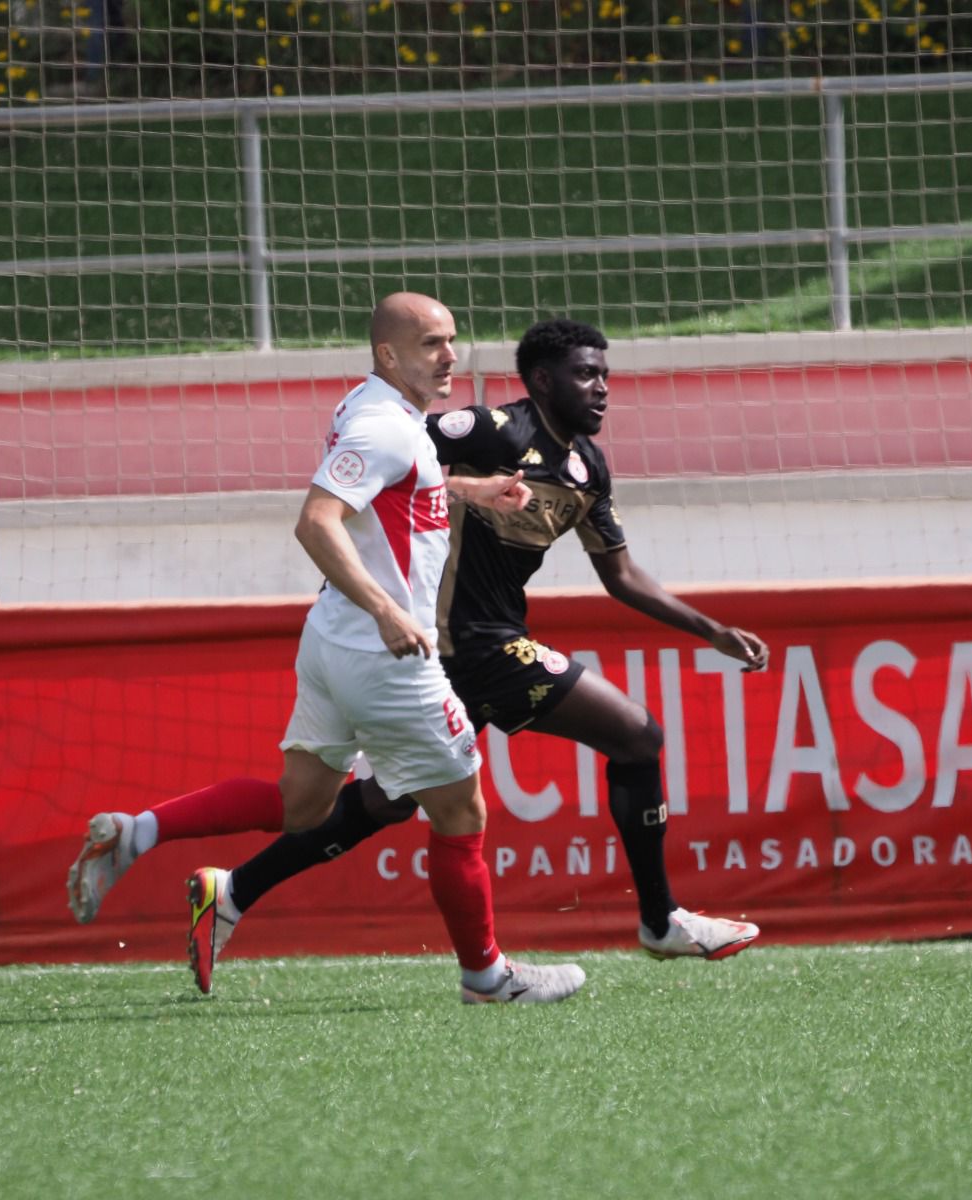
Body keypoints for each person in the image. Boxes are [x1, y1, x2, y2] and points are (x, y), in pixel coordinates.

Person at [71, 318, 768, 983]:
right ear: (543, 380)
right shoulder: (491, 427)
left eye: (605, 374)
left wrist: (709, 629)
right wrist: (407, 553)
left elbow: (619, 574)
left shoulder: (588, 467)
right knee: (635, 737)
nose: (602, 387)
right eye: (586, 374)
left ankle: (228, 891)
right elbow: (397, 454)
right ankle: (622, 932)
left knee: (360, 804)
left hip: (433, 654)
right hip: (465, 644)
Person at [67, 293, 586, 1006]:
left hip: (330, 643)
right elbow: (316, 522)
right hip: (381, 654)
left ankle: (136, 833)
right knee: (461, 811)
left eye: (452, 341)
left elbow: (394, 492)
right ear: (388, 354)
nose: (450, 357)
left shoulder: (374, 411)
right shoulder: (384, 427)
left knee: (302, 805)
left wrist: (472, 489)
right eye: (432, 343)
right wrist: (386, 611)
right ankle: (487, 977)